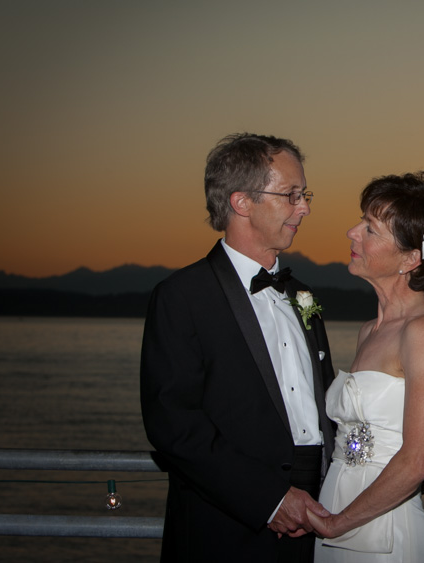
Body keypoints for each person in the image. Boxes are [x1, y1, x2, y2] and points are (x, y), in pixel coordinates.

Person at [140, 133, 337, 562]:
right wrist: (269, 499)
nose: (304, 208)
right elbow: (173, 423)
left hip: (318, 524)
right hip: (227, 530)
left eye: (304, 195)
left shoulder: (302, 296)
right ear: (242, 202)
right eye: (292, 195)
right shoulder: (183, 296)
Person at [309, 171, 424, 562]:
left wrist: (338, 524)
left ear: (410, 259)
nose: (352, 233)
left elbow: (420, 460)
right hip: (335, 510)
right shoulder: (369, 330)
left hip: (379, 529)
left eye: (370, 229)